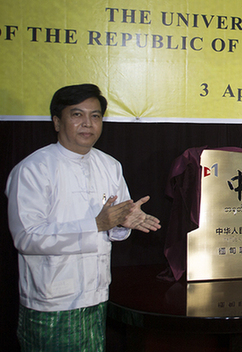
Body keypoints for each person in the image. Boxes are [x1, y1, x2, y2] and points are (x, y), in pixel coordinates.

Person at [5, 83, 161, 351]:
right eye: (77, 115)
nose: (88, 123)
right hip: (51, 301)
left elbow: (115, 223)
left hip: (96, 295)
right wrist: (96, 224)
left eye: (96, 116)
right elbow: (27, 238)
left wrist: (124, 222)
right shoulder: (33, 170)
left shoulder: (110, 165)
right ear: (57, 122)